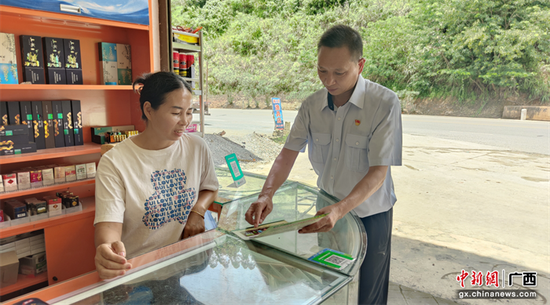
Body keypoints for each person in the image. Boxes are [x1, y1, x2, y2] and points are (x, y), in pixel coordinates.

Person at [245, 25, 402, 304]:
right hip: (327, 214)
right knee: (330, 286)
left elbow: (379, 173)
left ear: (360, 65)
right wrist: (266, 194)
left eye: (339, 72)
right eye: (322, 71)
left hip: (370, 215)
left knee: (369, 293)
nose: (329, 81)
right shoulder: (311, 106)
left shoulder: (384, 103)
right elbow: (287, 155)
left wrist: (341, 210)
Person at [94, 71, 219, 279]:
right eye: (176, 113)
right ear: (149, 110)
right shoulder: (114, 162)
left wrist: (197, 211)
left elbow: (210, 187)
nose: (185, 121)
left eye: (189, 112)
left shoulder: (197, 147)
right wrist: (107, 249)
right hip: (137, 272)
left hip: (181, 264)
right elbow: (109, 224)